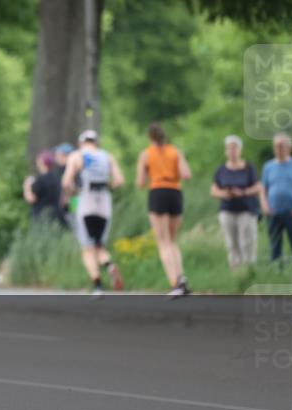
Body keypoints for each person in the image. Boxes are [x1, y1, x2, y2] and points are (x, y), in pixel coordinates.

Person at [62, 130, 125, 295]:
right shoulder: (107, 156)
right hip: (104, 202)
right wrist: (107, 186)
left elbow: (66, 182)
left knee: (87, 248)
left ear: (81, 142)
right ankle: (110, 266)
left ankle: (98, 285)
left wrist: (74, 191)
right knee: (99, 245)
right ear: (96, 142)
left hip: (86, 200)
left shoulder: (77, 155)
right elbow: (119, 180)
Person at [136, 122, 193, 297]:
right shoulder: (175, 151)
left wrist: (150, 172)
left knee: (163, 242)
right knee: (173, 241)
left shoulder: (146, 154)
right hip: (175, 193)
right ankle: (181, 278)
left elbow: (140, 183)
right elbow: (186, 174)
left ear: (150, 137)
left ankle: (174, 283)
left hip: (158, 192)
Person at [211, 135, 261, 269]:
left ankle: (249, 268)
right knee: (231, 242)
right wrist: (224, 194)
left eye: (234, 148)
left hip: (246, 209)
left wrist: (243, 192)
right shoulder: (221, 170)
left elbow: (258, 187)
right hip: (227, 210)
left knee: (247, 241)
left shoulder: (248, 168)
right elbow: (214, 189)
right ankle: (235, 269)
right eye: (229, 148)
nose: (232, 151)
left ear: (240, 149)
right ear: (225, 150)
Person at [259, 132, 292, 263]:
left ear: (289, 147)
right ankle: (276, 270)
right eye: (276, 145)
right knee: (275, 246)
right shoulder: (268, 166)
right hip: (273, 212)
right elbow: (263, 190)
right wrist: (265, 206)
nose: (278, 148)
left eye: (281, 145)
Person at [23, 149, 67, 229]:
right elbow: (63, 200)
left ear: (41, 162)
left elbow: (31, 199)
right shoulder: (57, 178)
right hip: (57, 216)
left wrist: (27, 186)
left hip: (41, 217)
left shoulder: (40, 180)